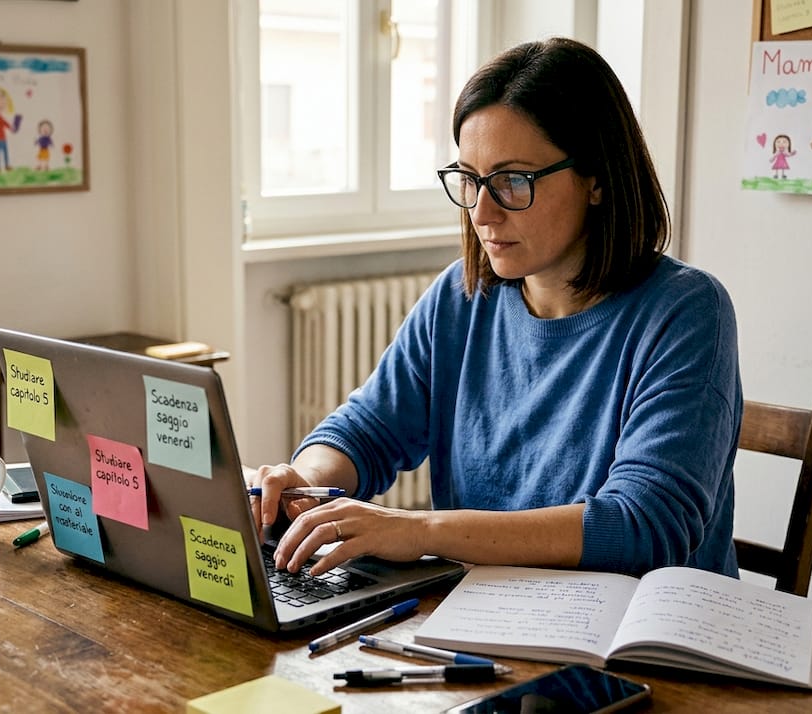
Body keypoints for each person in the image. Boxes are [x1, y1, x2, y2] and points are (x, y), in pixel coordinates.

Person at [250, 37, 742, 581]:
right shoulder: (462, 297)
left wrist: (419, 531)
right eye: (470, 180)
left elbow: (644, 527)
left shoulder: (687, 311)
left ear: (597, 178)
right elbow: (368, 429)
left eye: (513, 181)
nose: (483, 212)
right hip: (482, 620)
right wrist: (305, 478)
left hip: (635, 646)